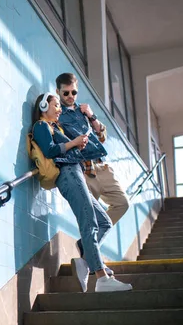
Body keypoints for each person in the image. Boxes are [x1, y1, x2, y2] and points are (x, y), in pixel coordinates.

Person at [32, 93, 132, 292]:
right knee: (89, 222)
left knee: (103, 221)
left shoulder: (56, 127)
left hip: (76, 173)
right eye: (56, 105)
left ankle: (85, 260)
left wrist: (81, 142)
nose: (59, 108)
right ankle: (101, 278)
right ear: (44, 106)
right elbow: (50, 150)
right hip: (68, 175)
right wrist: (73, 142)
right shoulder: (41, 126)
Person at [56, 73, 130, 275]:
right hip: (84, 172)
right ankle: (92, 258)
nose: (70, 96)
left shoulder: (84, 111)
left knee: (123, 204)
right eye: (66, 93)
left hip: (102, 168)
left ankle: (87, 250)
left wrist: (92, 116)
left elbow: (102, 136)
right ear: (58, 92)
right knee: (91, 221)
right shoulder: (58, 114)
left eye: (74, 92)